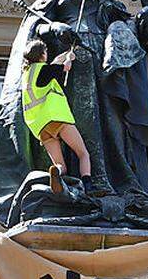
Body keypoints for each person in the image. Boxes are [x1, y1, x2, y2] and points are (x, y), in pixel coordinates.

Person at [20, 38, 93, 195]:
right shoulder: (46, 70)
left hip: (40, 126)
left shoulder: (27, 75)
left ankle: (56, 172)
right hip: (57, 118)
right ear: (41, 55)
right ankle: (88, 186)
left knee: (61, 165)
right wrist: (69, 59)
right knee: (83, 153)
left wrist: (67, 53)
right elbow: (64, 67)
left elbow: (54, 65)